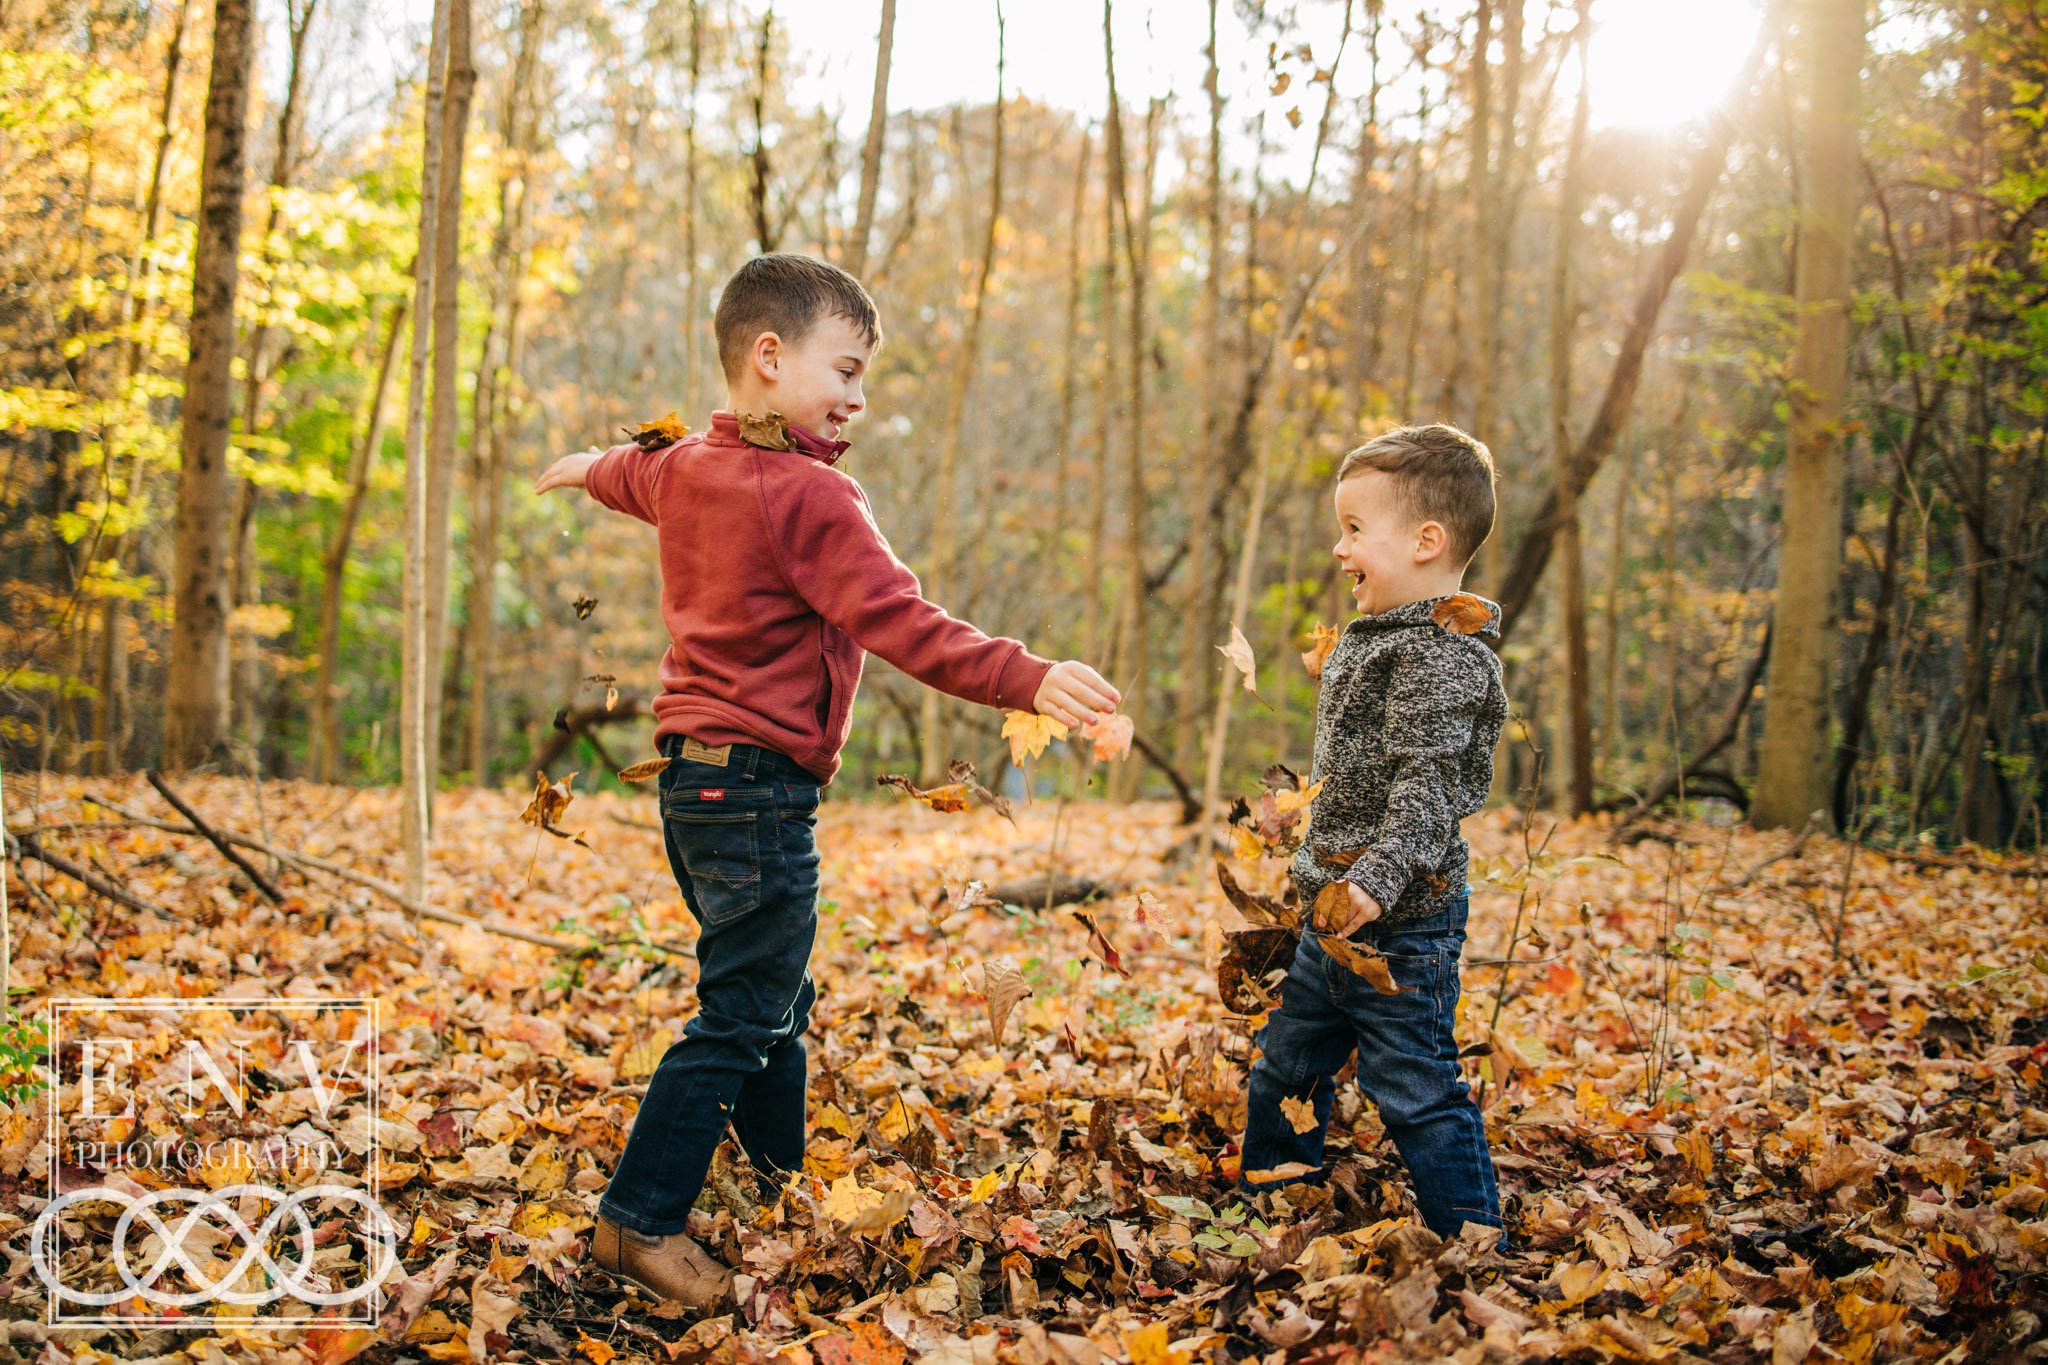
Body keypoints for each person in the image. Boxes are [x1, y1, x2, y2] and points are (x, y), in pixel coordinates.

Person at [534, 253, 1121, 1308]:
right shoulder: (809, 492)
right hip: (755, 796)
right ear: (768, 359)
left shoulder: (684, 469)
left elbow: (632, 471)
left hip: (693, 791)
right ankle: (636, 1223)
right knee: (743, 1012)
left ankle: (774, 1181)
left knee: (773, 996)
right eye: (843, 371)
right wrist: (1026, 677)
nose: (856, 399)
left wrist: (586, 464)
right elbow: (904, 623)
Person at [1235, 422, 1509, 1239]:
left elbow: (1428, 791)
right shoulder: (1384, 635)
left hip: (1403, 925)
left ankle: (1473, 1237)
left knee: (1416, 1087)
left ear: (1427, 542)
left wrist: (1374, 880)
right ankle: (1275, 1202)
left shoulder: (1441, 655)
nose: (1337, 547)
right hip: (1336, 919)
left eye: (1355, 529)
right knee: (1288, 1066)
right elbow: (1366, 771)